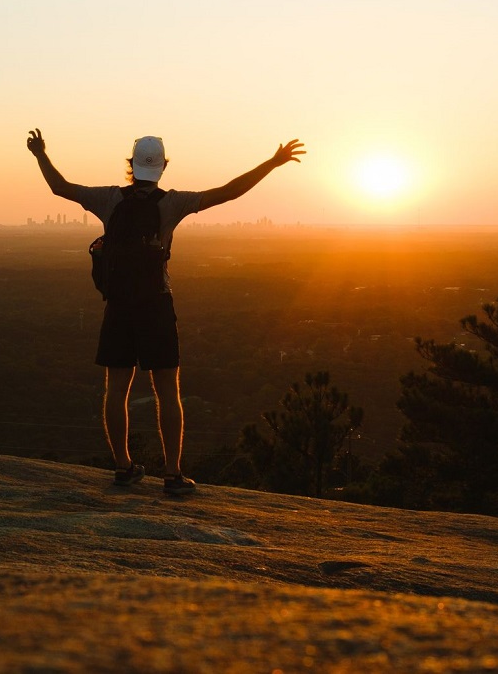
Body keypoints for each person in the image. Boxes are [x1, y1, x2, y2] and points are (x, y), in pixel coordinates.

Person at [26, 129, 305, 494]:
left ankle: (123, 467)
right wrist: (273, 162)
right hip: (156, 303)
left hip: (119, 305)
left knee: (116, 390)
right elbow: (228, 192)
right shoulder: (171, 203)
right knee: (167, 392)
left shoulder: (109, 199)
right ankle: (173, 474)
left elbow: (59, 187)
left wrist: (40, 154)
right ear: (162, 166)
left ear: (132, 164)